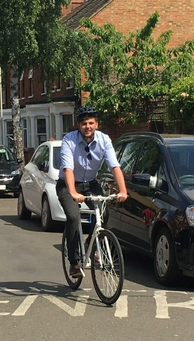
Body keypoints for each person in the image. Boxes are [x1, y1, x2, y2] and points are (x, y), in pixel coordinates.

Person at [56, 106, 127, 278]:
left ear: (96, 124)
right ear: (78, 125)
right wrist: (73, 192)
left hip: (90, 183)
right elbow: (68, 168)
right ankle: (73, 262)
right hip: (67, 184)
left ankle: (89, 243)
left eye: (91, 123)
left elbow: (114, 166)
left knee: (104, 213)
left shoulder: (104, 140)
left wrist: (123, 190)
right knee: (73, 217)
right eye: (83, 123)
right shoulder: (69, 140)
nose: (87, 126)